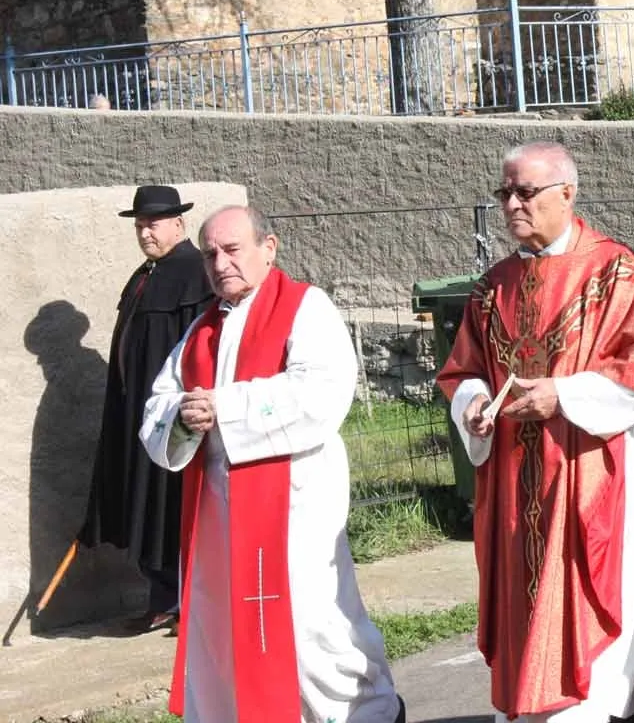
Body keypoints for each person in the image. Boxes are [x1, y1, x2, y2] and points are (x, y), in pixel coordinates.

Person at [435, 142, 634, 723]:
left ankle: (595, 709)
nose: (512, 204)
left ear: (567, 192)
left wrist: (562, 395)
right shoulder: (493, 285)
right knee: (526, 608)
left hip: (594, 471)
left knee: (595, 610)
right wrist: (474, 403)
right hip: (516, 480)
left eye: (525, 192)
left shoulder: (615, 270)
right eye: (505, 193)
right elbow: (464, 369)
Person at [140, 206, 404, 723]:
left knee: (312, 627)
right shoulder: (200, 332)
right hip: (218, 519)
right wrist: (183, 417)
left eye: (232, 249)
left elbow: (322, 391)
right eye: (211, 254)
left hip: (295, 507)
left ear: (269, 248)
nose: (220, 263)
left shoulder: (306, 307)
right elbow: (158, 405)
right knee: (224, 634)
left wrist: (224, 407)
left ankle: (367, 714)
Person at [78, 185, 213, 634]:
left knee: (173, 506)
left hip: (175, 415)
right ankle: (162, 597)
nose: (144, 233)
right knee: (146, 505)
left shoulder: (195, 274)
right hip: (139, 412)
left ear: (179, 223)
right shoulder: (146, 274)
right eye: (139, 226)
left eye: (153, 224)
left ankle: (190, 600)